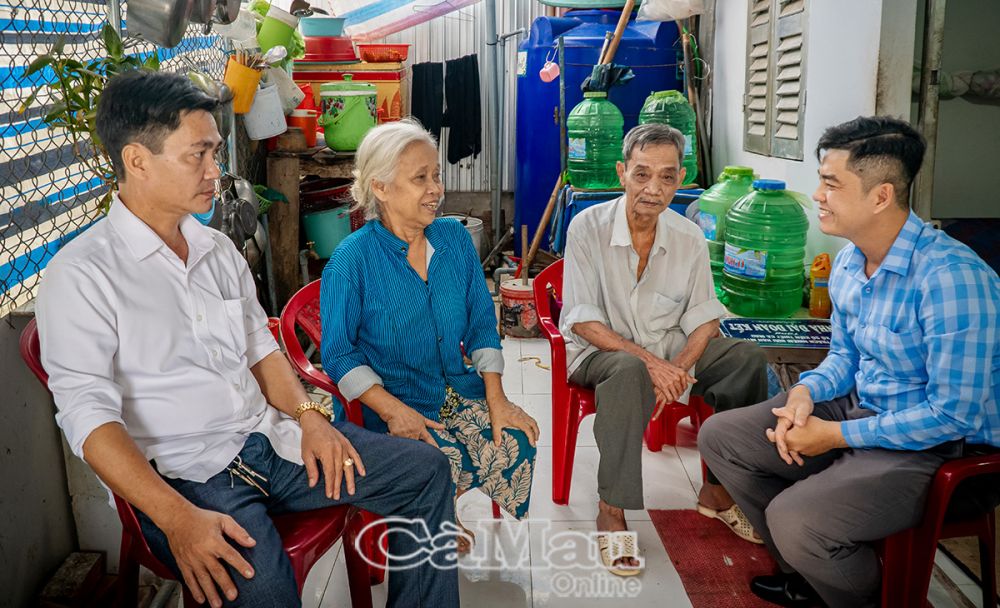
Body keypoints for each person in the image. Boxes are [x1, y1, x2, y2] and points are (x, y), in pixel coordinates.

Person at [35, 71, 460, 608]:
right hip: (186, 481)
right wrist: (177, 519)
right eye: (199, 155)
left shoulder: (215, 250)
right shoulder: (82, 275)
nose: (217, 170)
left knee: (424, 470)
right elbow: (89, 420)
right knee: (263, 591)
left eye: (216, 151)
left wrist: (309, 417)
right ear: (138, 161)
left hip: (269, 441)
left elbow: (262, 349)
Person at [698, 116, 1000, 608]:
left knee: (794, 518)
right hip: (862, 410)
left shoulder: (951, 279)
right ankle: (815, 577)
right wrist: (804, 393)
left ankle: (873, 596)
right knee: (722, 439)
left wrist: (835, 436)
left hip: (940, 449)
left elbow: (953, 415)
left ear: (881, 196)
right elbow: (844, 356)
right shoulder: (849, 262)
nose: (817, 194)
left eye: (831, 183)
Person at [560, 123, 770, 575]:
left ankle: (719, 489)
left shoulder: (688, 235)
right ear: (621, 172)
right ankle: (612, 511)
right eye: (642, 174)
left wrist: (678, 368)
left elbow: (705, 317)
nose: (654, 189)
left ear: (682, 178)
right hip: (599, 353)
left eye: (668, 177)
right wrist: (655, 366)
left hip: (669, 349)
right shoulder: (586, 227)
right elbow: (582, 318)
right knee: (628, 371)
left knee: (746, 360)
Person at [320, 119, 539, 549]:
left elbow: (480, 323)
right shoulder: (351, 261)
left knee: (514, 438)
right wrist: (393, 411)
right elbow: (339, 354)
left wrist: (497, 398)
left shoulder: (454, 239)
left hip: (456, 387)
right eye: (420, 179)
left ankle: (443, 506)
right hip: (394, 404)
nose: (436, 189)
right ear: (381, 188)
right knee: (433, 460)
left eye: (436, 175)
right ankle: (434, 513)